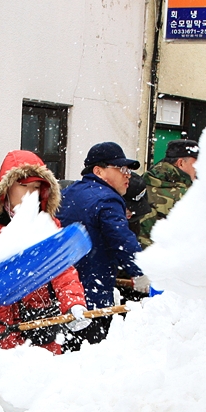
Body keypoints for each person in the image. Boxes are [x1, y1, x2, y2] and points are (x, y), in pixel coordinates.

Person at [0, 150, 86, 353]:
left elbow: (63, 271)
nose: (29, 193)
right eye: (23, 186)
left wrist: (74, 303)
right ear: (6, 188)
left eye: (35, 187)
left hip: (38, 330)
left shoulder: (46, 226)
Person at [58, 142, 146, 345]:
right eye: (121, 169)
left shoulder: (68, 193)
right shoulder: (107, 199)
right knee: (91, 356)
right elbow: (121, 239)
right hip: (92, 292)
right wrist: (141, 272)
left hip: (65, 292)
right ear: (98, 170)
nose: (128, 175)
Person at [135, 138, 198, 248]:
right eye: (196, 164)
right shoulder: (188, 195)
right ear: (181, 163)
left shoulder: (144, 181)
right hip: (167, 258)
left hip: (140, 255)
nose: (198, 169)